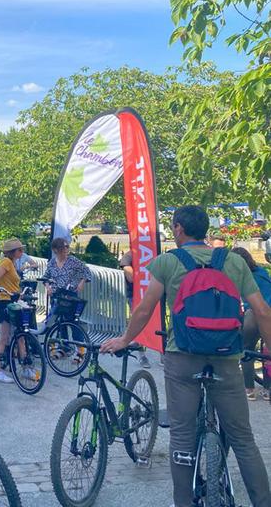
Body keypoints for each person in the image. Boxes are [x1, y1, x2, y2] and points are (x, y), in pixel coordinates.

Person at [101, 206, 271, 507]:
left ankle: (183, 502)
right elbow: (262, 311)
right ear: (205, 228)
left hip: (183, 357)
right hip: (226, 357)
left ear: (179, 229)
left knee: (182, 436)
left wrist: (125, 339)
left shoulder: (167, 262)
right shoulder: (233, 261)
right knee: (244, 440)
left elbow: (145, 307)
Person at [232, 247, 271, 401]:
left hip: (253, 315)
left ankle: (249, 389)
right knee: (268, 353)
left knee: (247, 350)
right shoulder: (262, 273)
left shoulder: (241, 276)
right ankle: (268, 389)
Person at [0, 239, 26, 383]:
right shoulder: (6, 263)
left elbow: (11, 283)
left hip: (12, 300)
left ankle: (25, 366)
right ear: (13, 252)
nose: (22, 252)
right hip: (4, 301)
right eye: (19, 250)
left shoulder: (13, 263)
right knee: (4, 337)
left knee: (21, 335)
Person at [118, 250, 151, 369]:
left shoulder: (152, 251)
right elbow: (130, 276)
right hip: (135, 294)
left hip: (152, 292)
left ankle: (162, 353)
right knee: (139, 322)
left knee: (157, 323)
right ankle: (142, 355)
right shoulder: (130, 255)